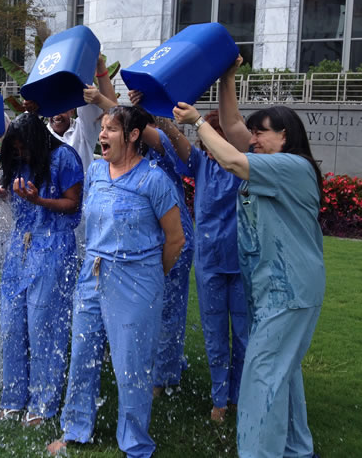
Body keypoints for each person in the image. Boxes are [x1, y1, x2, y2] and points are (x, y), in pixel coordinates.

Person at [173, 86, 325, 456]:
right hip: (275, 289)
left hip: (289, 291)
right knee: (282, 375)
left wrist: (196, 122)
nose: (252, 139)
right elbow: (233, 125)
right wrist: (227, 79)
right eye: (253, 133)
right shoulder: (273, 161)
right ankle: (296, 449)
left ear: (284, 136)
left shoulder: (292, 166)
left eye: (261, 133)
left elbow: (233, 161)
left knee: (262, 376)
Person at [48, 105, 185, 457]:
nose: (103, 134)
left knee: (131, 365)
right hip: (92, 276)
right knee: (81, 355)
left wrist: (151, 276)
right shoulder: (95, 172)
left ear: (133, 135)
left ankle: (136, 443)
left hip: (137, 281)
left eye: (111, 129)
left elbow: (175, 239)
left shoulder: (153, 180)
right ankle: (76, 429)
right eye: (103, 127)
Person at [144, 102, 248, 422]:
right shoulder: (201, 165)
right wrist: (157, 105)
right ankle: (219, 398)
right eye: (209, 138)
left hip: (244, 265)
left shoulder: (247, 168)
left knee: (244, 336)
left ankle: (241, 396)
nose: (213, 144)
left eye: (220, 137)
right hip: (210, 266)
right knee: (215, 334)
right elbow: (170, 137)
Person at [0, 113, 83, 427]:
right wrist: (0, 193)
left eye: (23, 148)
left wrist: (40, 200)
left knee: (44, 326)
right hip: (19, 248)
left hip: (53, 247)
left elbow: (74, 205)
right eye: (14, 149)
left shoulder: (64, 157)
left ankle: (44, 402)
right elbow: (16, 201)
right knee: (11, 324)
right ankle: (13, 398)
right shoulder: (16, 160)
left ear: (37, 142)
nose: (19, 154)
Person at [128, 96, 195, 397]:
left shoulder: (163, 146)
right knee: (152, 305)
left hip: (175, 238)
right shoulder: (138, 158)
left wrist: (152, 107)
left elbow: (134, 124)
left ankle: (163, 376)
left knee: (169, 308)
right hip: (151, 241)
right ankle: (162, 364)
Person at [44, 55, 118, 174]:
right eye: (53, 110)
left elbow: (116, 114)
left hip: (84, 192)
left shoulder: (84, 130)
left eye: (62, 110)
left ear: (71, 110)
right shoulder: (40, 134)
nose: (57, 115)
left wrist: (94, 65)